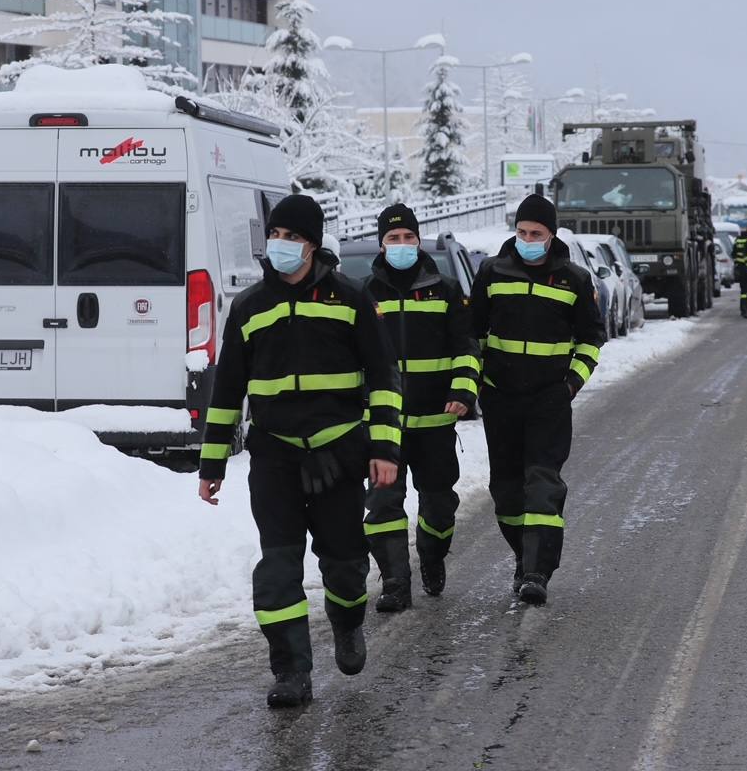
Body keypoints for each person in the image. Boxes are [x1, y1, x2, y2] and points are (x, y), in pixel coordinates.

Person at [197, 194, 402, 709]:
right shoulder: (249, 307)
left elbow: (383, 379)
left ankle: (348, 622)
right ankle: (290, 670)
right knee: (277, 568)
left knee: (345, 564)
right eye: (276, 236)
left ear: (312, 245)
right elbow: (227, 392)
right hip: (275, 458)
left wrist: (384, 448)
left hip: (339, 452)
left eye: (291, 237)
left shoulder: (351, 299)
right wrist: (212, 464)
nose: (280, 245)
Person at [470, 194, 607, 605]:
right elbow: (472, 333)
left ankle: (537, 571)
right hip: (500, 399)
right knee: (507, 491)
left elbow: (591, 339)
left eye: (537, 233)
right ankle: (522, 555)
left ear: (551, 236)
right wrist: (477, 380)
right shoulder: (492, 272)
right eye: (522, 232)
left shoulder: (574, 280)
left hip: (549, 400)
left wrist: (570, 385)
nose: (528, 239)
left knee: (542, 485)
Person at [362, 204, 480, 611]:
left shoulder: (445, 290)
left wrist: (463, 392)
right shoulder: (365, 294)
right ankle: (395, 582)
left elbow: (466, 348)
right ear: (381, 244)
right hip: (384, 429)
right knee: (382, 505)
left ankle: (432, 554)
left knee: (439, 504)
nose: (401, 245)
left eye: (408, 237)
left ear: (418, 240)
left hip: (435, 420)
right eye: (393, 239)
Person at [733, 224, 747, 318]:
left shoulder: (738, 239)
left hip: (740, 268)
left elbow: (733, 253)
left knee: (743, 291)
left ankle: (743, 308)